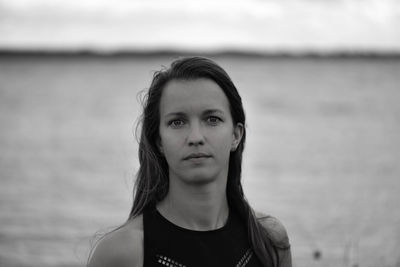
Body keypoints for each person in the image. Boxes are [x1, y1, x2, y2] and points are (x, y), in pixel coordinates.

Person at [88, 56, 291, 267]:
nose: (195, 137)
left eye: (212, 119)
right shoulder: (122, 254)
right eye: (177, 122)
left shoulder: (270, 240)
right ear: (159, 141)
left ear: (236, 135)